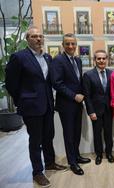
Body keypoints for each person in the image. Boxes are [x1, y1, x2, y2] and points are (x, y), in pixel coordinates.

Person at [5, 26, 66, 187]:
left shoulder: (47, 57)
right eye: (34, 36)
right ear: (27, 39)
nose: (38, 39)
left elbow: (48, 81)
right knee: (35, 140)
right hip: (31, 107)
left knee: (49, 136)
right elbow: (11, 84)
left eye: (40, 36)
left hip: (47, 105)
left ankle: (50, 162)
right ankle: (37, 172)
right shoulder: (19, 57)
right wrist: (21, 101)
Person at [50, 33, 90, 176]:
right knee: (69, 134)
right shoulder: (58, 60)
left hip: (78, 104)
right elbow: (57, 83)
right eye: (67, 44)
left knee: (77, 131)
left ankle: (77, 156)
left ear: (76, 44)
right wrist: (74, 96)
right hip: (66, 104)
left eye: (73, 43)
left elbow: (77, 81)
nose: (71, 46)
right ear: (63, 45)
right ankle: (72, 162)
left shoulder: (77, 60)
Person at [83, 50, 114, 165]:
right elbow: (87, 96)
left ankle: (109, 153)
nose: (101, 60)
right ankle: (99, 155)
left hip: (109, 110)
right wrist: (91, 111)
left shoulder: (112, 74)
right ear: (94, 60)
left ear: (107, 60)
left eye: (103, 58)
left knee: (108, 133)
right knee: (97, 134)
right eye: (98, 58)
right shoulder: (88, 75)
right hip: (95, 111)